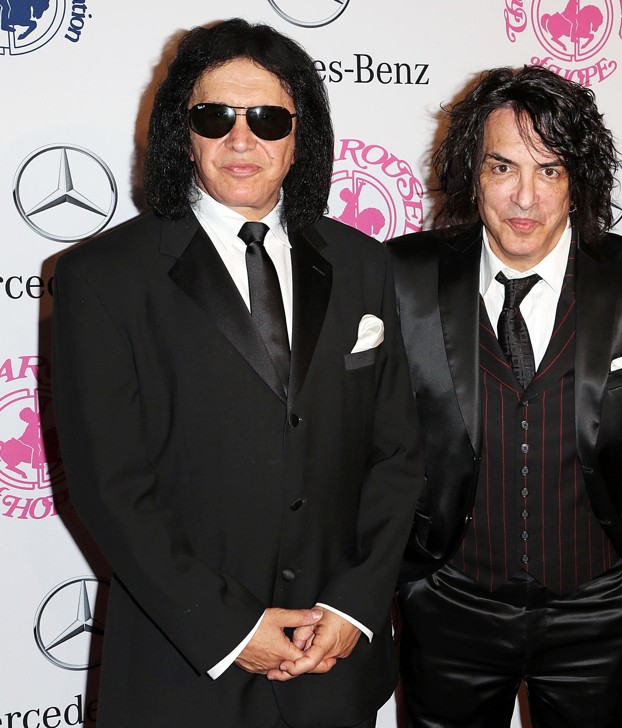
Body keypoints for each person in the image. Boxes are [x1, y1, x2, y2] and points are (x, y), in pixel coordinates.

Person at [51, 19, 422, 728]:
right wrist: (230, 628)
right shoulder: (103, 277)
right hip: (182, 667)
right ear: (182, 131)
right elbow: (110, 487)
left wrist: (353, 606)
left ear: (300, 135)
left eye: (268, 119)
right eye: (215, 117)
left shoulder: (363, 263)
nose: (242, 140)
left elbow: (398, 455)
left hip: (331, 662)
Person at [388, 65, 622, 728]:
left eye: (549, 170)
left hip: (600, 609)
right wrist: (409, 583)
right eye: (503, 167)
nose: (524, 197)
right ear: (472, 173)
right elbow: (379, 442)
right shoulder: (404, 277)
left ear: (577, 181)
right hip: (449, 606)